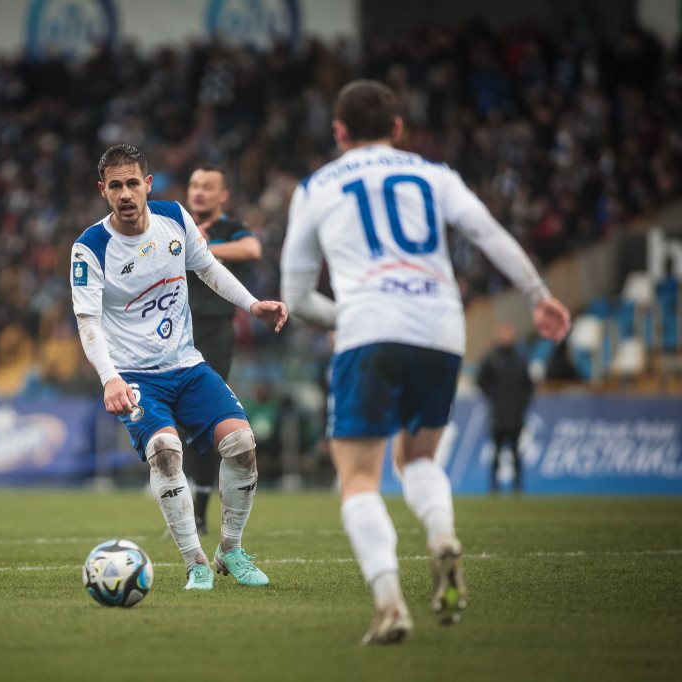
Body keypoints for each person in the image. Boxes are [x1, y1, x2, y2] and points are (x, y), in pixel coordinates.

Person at [280, 80, 571, 644]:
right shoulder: (435, 173)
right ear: (397, 129)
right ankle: (441, 534)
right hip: (441, 325)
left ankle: (390, 603)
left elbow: (295, 299)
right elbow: (487, 231)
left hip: (368, 326)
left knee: (358, 476)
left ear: (338, 132)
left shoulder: (315, 187)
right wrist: (538, 295)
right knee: (417, 455)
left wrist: (354, 317)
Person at [71, 144, 287, 590]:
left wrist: (253, 305)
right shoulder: (90, 247)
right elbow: (88, 320)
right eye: (116, 186)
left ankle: (231, 549)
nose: (126, 194)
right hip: (135, 377)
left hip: (187, 365)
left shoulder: (174, 217)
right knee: (167, 452)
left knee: (243, 444)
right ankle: (196, 562)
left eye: (133, 183)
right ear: (103, 191)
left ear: (148, 184)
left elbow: (208, 268)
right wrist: (110, 378)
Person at [180, 165, 262, 535]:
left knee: (206, 420)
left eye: (207, 187)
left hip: (213, 333)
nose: (199, 192)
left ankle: (198, 511)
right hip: (173, 332)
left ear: (222, 195)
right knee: (174, 423)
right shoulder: (174, 226)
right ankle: (183, 506)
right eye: (195, 185)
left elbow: (252, 248)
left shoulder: (229, 228)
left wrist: (202, 248)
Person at [477, 322, 534, 494]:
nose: (508, 337)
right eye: (504, 334)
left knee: (516, 452)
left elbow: (528, 386)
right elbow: (481, 380)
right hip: (498, 414)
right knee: (496, 451)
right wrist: (494, 397)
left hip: (516, 415)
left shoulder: (520, 359)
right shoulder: (492, 358)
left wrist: (521, 404)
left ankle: (517, 487)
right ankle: (494, 487)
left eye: (510, 334)